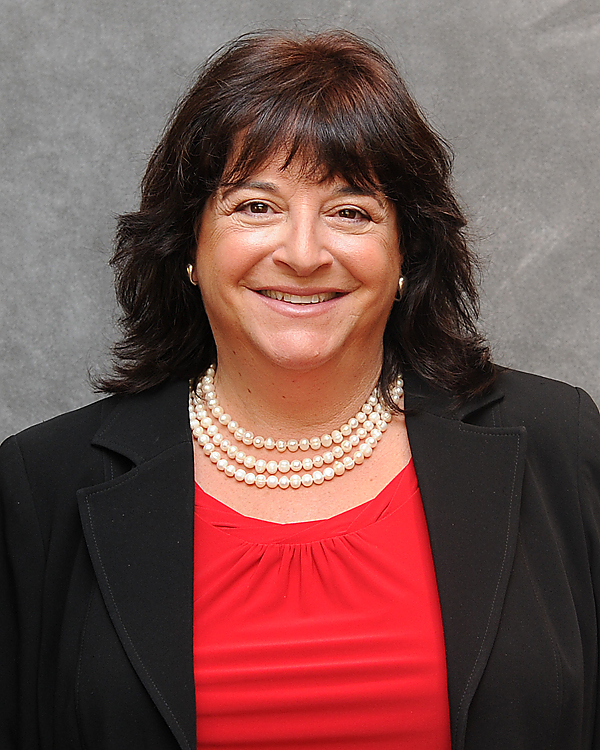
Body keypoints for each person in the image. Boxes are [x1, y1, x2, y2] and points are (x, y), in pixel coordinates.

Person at [1, 29, 599, 750]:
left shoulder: (558, 441)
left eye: (351, 211)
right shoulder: (42, 482)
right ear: (189, 245)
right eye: (256, 206)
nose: (304, 253)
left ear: (405, 253)